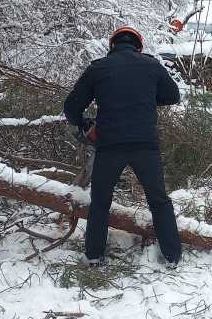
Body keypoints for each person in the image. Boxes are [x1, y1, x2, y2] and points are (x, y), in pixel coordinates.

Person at [63, 26, 183, 268]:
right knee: (159, 200)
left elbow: (71, 107)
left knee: (100, 201)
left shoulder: (98, 68)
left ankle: (94, 256)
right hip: (145, 145)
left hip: (109, 145)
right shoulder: (151, 65)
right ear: (139, 46)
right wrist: (147, 97)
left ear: (112, 46)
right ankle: (172, 256)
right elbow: (173, 95)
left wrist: (85, 124)